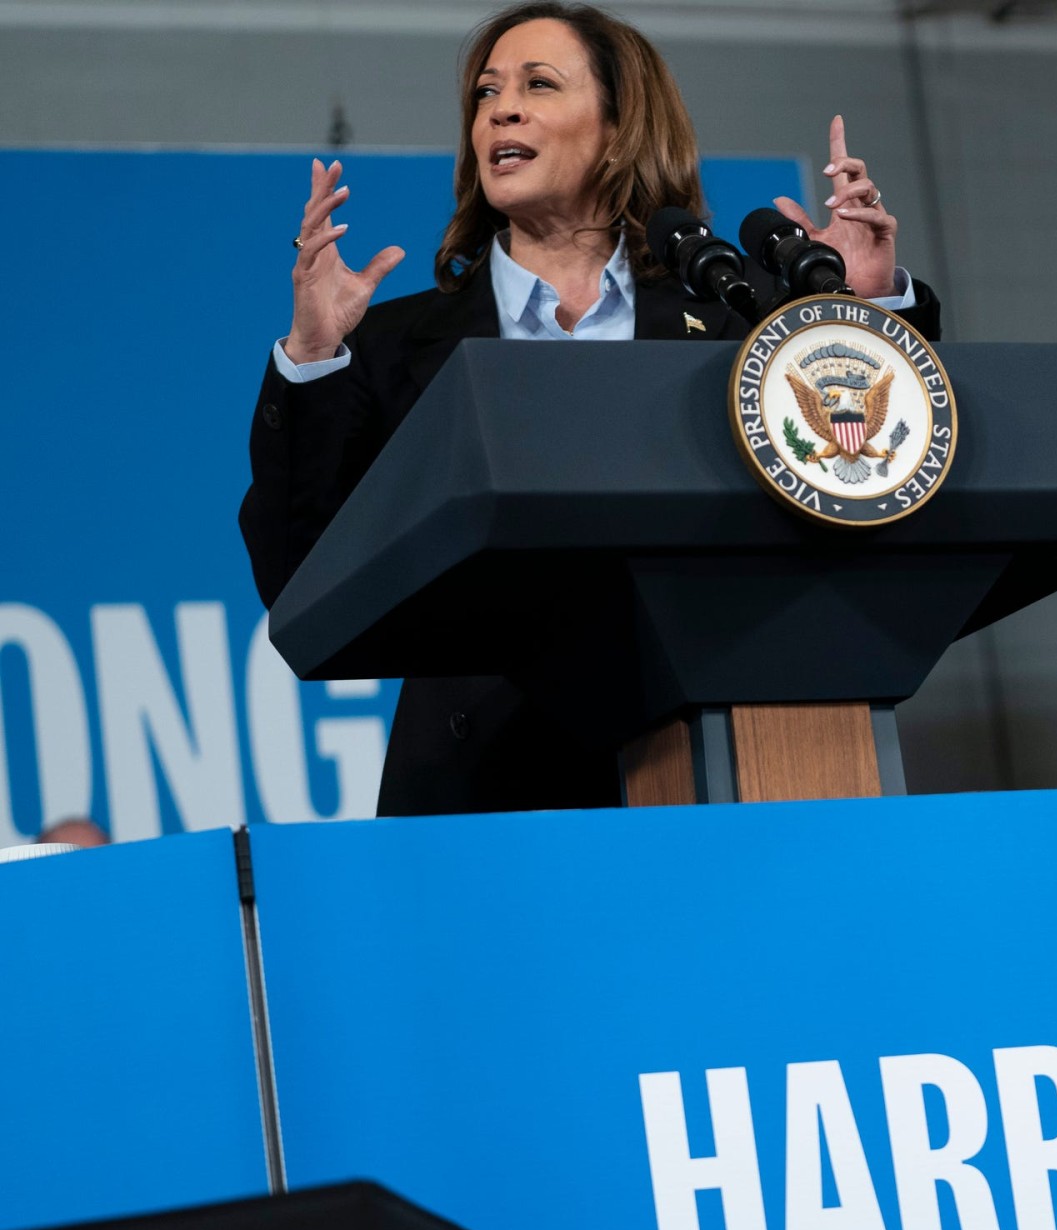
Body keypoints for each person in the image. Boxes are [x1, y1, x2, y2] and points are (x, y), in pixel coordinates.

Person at [240, 1, 942, 818]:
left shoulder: (736, 317)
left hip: (714, 768)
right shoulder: (392, 344)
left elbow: (872, 483)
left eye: (538, 84)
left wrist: (863, 313)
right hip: (482, 793)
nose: (501, 110)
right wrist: (313, 357)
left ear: (619, 127)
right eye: (486, 93)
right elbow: (299, 576)